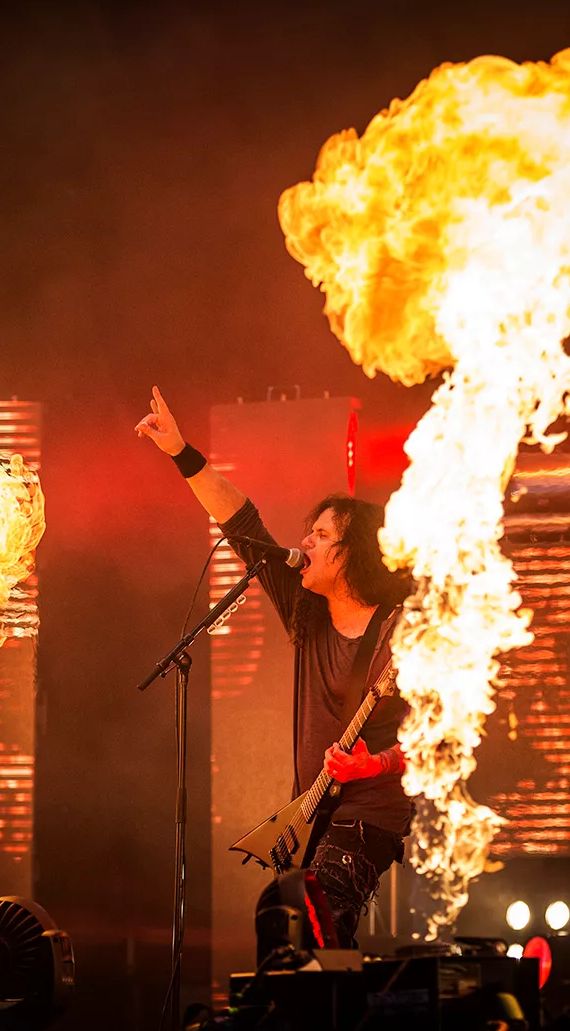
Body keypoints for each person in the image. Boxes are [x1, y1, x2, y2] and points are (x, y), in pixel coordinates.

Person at [136, 385, 414, 947]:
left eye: (321, 535)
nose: (304, 540)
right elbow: (242, 524)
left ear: (353, 554)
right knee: (291, 932)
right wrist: (181, 453)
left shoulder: (401, 632)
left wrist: (374, 765)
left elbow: (439, 743)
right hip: (314, 815)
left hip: (371, 814)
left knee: (320, 915)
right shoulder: (307, 613)